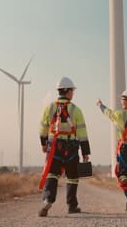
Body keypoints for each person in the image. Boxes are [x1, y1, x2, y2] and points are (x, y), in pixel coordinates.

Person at [38, 76, 91, 217]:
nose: (73, 93)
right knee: (72, 177)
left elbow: (42, 128)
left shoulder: (49, 108)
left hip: (54, 146)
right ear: (67, 91)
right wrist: (86, 152)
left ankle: (47, 200)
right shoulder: (76, 110)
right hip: (71, 148)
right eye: (72, 91)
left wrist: (43, 144)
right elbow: (82, 133)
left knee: (52, 174)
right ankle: (72, 206)